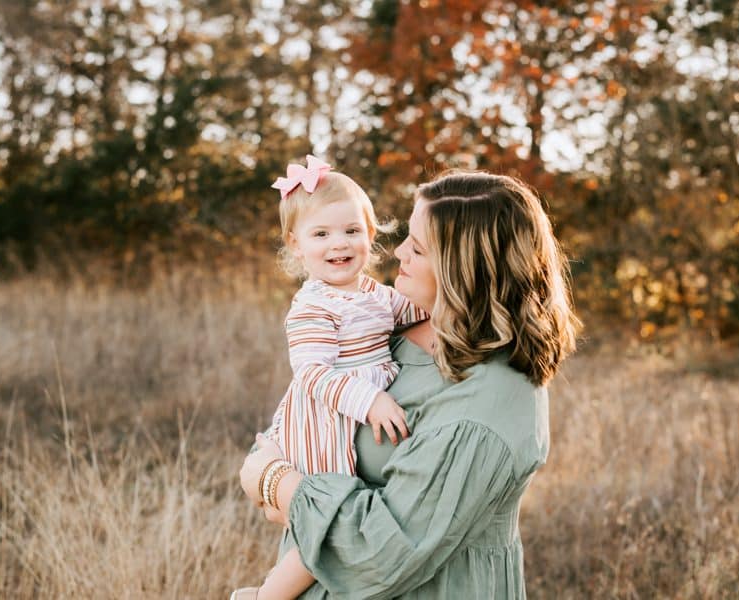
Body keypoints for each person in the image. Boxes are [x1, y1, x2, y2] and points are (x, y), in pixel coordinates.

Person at [238, 170, 580, 599]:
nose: (397, 250)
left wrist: (276, 482)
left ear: (463, 270)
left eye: (417, 248)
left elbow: (380, 551)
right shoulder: (392, 335)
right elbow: (306, 405)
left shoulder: (486, 404)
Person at [231, 155, 428, 600]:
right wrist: (370, 401)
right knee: (327, 512)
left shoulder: (376, 293)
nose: (338, 244)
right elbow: (313, 376)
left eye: (351, 231)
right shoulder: (312, 307)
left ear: (371, 235)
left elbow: (419, 312)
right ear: (296, 245)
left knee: (329, 516)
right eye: (321, 234)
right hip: (324, 421)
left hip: (346, 415)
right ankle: (266, 597)